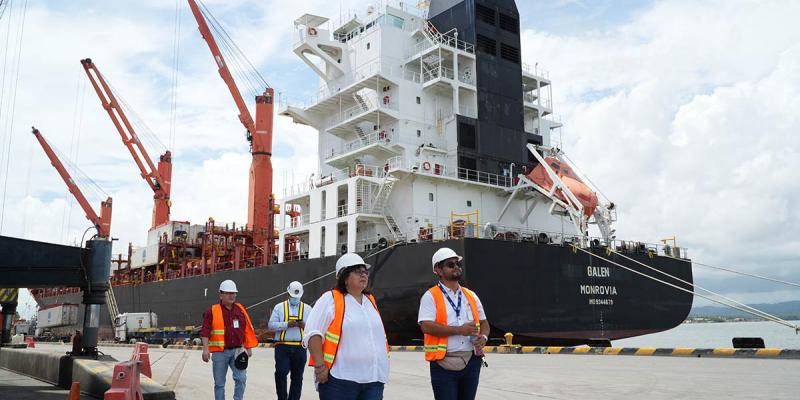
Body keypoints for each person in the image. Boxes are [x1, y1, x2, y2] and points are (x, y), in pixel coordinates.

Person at [303, 253, 390, 400]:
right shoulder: (329, 299)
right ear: (344, 276)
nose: (363, 275)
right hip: (340, 381)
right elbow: (313, 333)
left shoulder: (370, 301)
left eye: (365, 272)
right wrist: (319, 367)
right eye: (357, 271)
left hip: (373, 379)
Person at [418, 247, 489, 400]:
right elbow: (426, 326)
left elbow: (484, 323)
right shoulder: (430, 296)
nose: (457, 267)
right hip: (443, 364)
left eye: (458, 264)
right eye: (451, 264)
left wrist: (483, 337)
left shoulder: (471, 295)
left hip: (472, 362)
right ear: (438, 269)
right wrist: (459, 330)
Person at [200, 279, 259, 400]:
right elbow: (205, 331)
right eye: (228, 293)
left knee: (241, 379)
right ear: (220, 295)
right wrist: (205, 349)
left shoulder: (240, 309)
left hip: (238, 351)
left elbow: (246, 329)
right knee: (219, 384)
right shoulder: (212, 311)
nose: (232, 295)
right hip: (220, 353)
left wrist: (248, 347)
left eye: (234, 293)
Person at [268, 281, 312, 400]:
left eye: (297, 297)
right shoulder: (279, 307)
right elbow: (271, 325)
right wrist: (287, 324)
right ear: (288, 294)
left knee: (297, 377)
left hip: (300, 347)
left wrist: (304, 325)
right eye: (293, 297)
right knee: (281, 373)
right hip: (282, 347)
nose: (295, 299)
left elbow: (314, 327)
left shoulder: (308, 309)